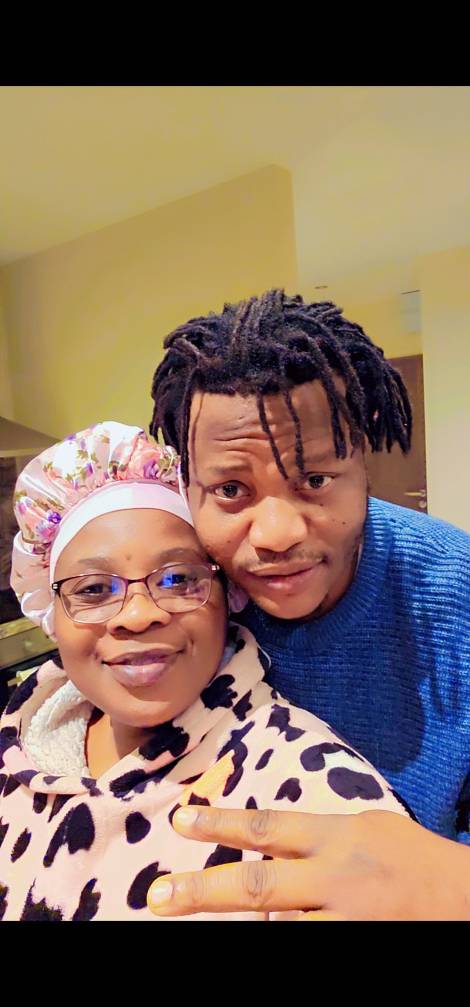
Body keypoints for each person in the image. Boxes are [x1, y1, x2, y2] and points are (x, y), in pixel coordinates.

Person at [146, 289, 470, 921]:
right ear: (187, 482)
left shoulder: (455, 590)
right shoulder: (178, 593)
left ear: (362, 463)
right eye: (231, 489)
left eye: (315, 480)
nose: (276, 534)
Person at [0, 421, 405, 922]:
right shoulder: (18, 748)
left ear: (227, 594)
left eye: (177, 579)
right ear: (50, 611)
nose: (138, 614)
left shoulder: (301, 784)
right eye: (93, 589)